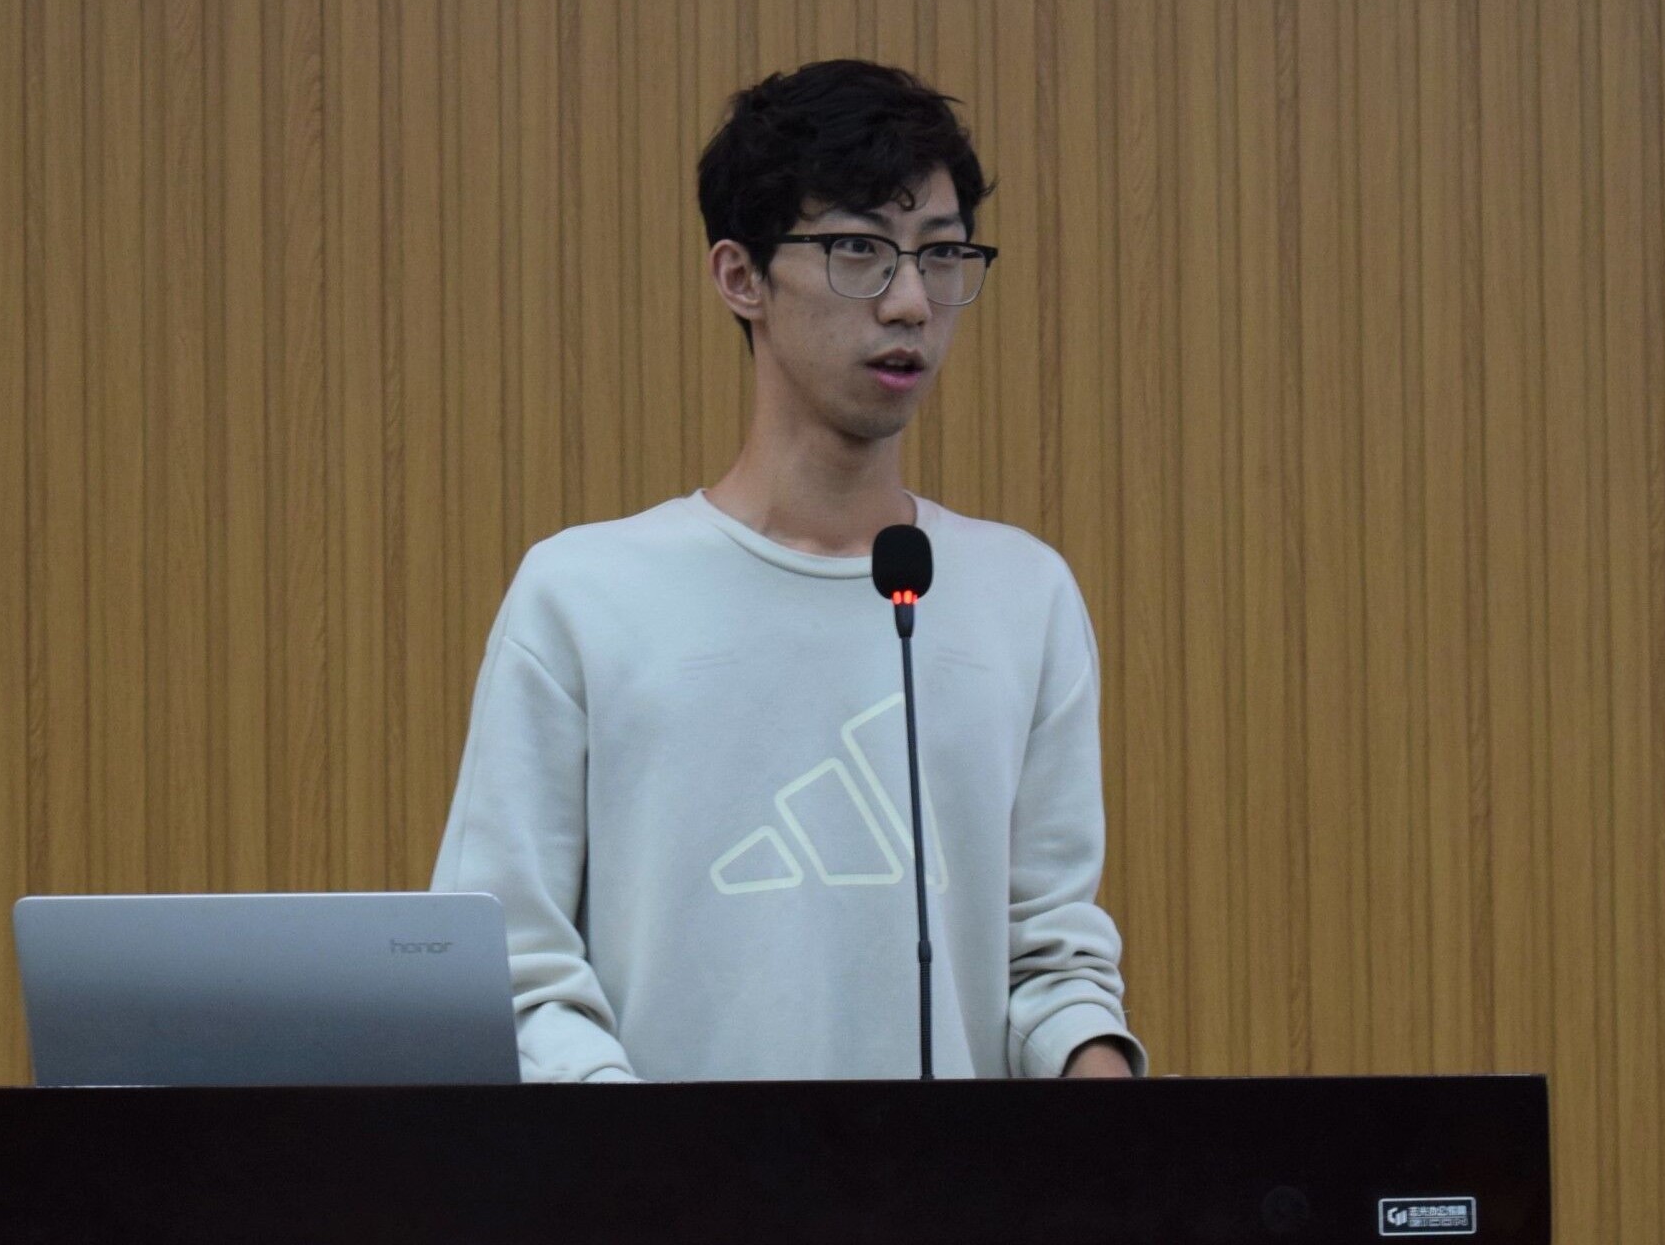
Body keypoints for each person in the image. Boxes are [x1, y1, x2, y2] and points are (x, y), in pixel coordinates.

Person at [429, 58, 1143, 1084]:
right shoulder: (582, 596)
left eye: (940, 255)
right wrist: (639, 1147)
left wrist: (1097, 1074)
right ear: (740, 276)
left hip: (954, 1190)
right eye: (859, 250)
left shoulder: (1021, 597)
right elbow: (508, 973)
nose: (910, 302)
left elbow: (1049, 960)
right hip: (657, 1185)